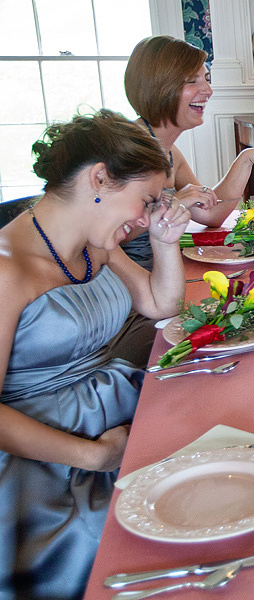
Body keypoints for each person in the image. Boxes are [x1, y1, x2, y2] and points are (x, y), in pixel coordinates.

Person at [0, 110, 189, 599]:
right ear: (99, 177)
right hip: (46, 460)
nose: (145, 218)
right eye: (145, 201)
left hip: (120, 414)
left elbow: (161, 304)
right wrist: (94, 454)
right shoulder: (7, 269)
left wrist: (166, 243)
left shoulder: (96, 247)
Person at [117, 35, 254, 367]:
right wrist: (175, 206)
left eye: (207, 78)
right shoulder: (126, 151)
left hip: (166, 279)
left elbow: (211, 213)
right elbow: (100, 238)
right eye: (192, 80)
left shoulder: (168, 149)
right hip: (131, 298)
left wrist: (246, 160)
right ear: (159, 86)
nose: (208, 90)